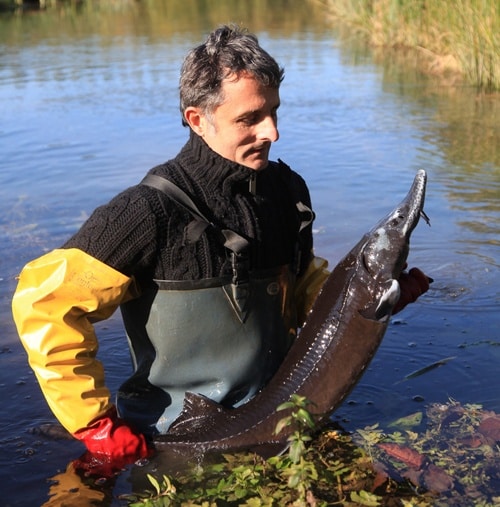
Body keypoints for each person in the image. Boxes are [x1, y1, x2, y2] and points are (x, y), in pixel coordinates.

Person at [12, 25, 430, 472]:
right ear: (197, 119)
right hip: (172, 442)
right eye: (249, 119)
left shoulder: (287, 191)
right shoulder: (147, 212)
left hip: (285, 416)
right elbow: (44, 304)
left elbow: (305, 289)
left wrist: (369, 303)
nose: (272, 131)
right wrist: (93, 424)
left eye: (273, 111)